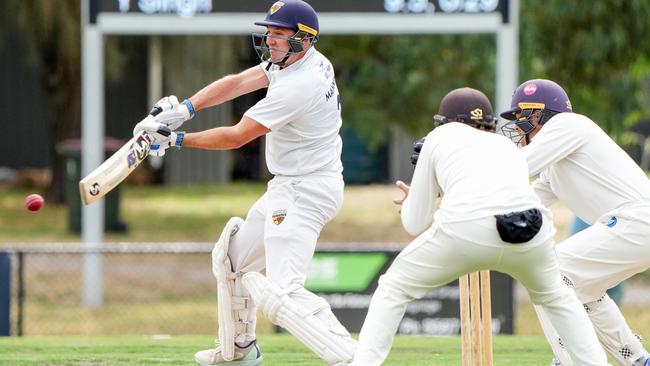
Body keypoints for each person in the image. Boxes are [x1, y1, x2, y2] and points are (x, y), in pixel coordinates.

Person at [133, 1, 356, 365]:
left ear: (302, 40)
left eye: (279, 35)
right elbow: (239, 81)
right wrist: (185, 109)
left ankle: (356, 359)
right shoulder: (303, 60)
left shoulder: (299, 86)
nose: (270, 40)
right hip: (291, 185)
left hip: (306, 191)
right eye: (269, 32)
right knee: (232, 261)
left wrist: (175, 140)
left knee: (283, 293)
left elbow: (238, 136)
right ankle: (240, 351)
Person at [348, 87, 607, 366]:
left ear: (445, 121)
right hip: (531, 227)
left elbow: (415, 223)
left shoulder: (439, 136)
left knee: (393, 287)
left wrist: (417, 199)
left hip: (467, 227)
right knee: (559, 298)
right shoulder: (506, 146)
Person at [499, 79, 650, 366]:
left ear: (540, 115)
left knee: (552, 273)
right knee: (585, 290)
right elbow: (520, 199)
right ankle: (637, 360)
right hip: (634, 227)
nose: (516, 127)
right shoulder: (556, 166)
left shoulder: (568, 126)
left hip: (638, 220)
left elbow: (515, 168)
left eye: (521, 117)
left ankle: (567, 360)